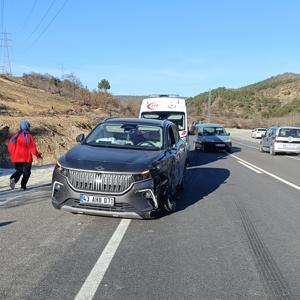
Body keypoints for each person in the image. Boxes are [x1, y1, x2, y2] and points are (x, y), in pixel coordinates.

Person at [8, 120, 42, 191]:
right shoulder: (28, 136)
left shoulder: (15, 136)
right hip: (27, 159)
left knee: (19, 171)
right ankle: (23, 186)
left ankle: (13, 179)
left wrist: (13, 154)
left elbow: (10, 147)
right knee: (27, 172)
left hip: (17, 158)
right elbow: (32, 148)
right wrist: (37, 155)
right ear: (27, 127)